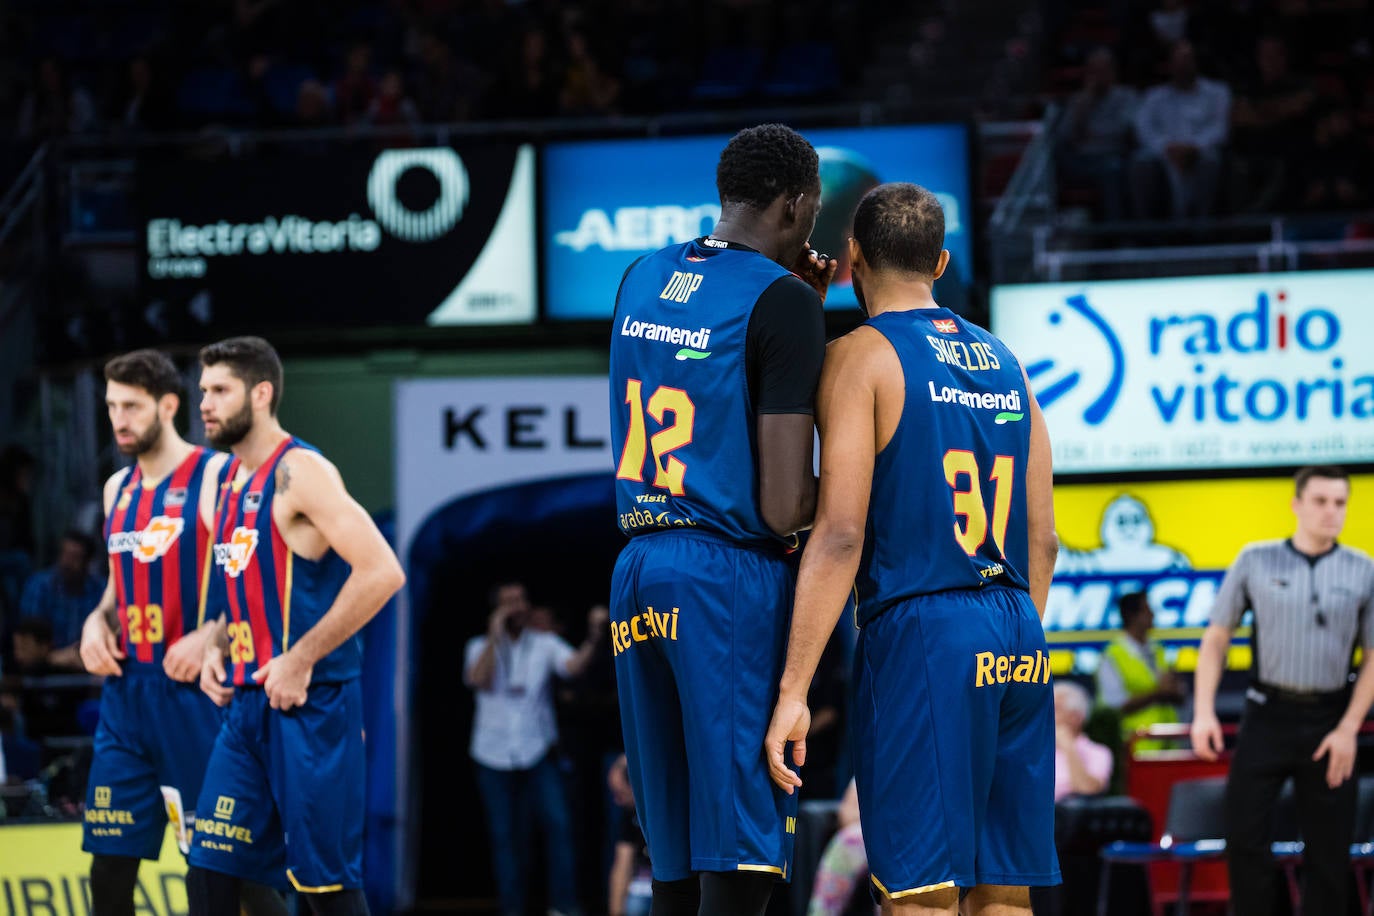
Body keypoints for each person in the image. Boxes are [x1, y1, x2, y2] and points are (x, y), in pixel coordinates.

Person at [765, 182, 1059, 916]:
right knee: (1005, 894)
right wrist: (1011, 642)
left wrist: (794, 690)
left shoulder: (860, 356)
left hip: (926, 631)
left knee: (920, 897)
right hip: (1019, 628)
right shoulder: (1009, 363)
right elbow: (1044, 538)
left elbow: (837, 532)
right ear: (942, 260)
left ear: (854, 258)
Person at [608, 122, 834, 916]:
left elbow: (712, 364)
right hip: (724, 576)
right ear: (798, 204)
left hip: (638, 571)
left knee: (671, 862)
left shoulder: (639, 276)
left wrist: (796, 308)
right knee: (739, 860)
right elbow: (781, 505)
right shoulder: (782, 304)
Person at [188, 336, 405, 916]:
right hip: (246, 708)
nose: (204, 403)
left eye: (219, 390)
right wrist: (215, 642)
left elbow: (383, 572)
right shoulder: (221, 481)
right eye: (202, 389)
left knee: (325, 888)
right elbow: (242, 591)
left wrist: (302, 658)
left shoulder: (301, 471)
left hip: (314, 708)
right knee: (210, 868)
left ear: (261, 394)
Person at [77, 349, 287, 916]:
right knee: (109, 869)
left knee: (225, 870)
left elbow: (255, 574)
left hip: (194, 697)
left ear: (168, 405)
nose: (118, 418)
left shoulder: (215, 473)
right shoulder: (115, 489)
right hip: (126, 696)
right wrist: (96, 620)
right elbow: (117, 589)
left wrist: (215, 633)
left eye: (132, 406)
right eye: (111, 405)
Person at [1191, 465, 1374, 916]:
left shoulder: (1363, 569)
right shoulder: (1255, 559)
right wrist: (1203, 712)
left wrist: (1349, 727)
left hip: (1332, 720)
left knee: (1329, 853)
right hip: (1266, 715)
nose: (1331, 512)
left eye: (1340, 503)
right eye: (1320, 501)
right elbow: (1216, 638)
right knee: (1244, 839)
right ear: (1296, 504)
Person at [463, 581, 607, 916]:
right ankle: (512, 908)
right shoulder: (477, 646)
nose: (517, 607)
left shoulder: (544, 643)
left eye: (521, 599)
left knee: (558, 825)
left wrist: (595, 635)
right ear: (495, 608)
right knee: (505, 837)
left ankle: (564, 906)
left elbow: (573, 667)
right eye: (508, 601)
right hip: (491, 753)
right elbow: (478, 679)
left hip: (537, 749)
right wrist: (494, 633)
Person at [1129, 40, 1231, 219]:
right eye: (1178, 61)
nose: (1183, 65)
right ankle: (1147, 230)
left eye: (1187, 59)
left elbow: (1219, 128)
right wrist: (1166, 148)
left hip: (1200, 152)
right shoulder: (1154, 97)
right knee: (1141, 161)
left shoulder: (1217, 92)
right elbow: (1144, 129)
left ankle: (1203, 226)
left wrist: (1194, 148)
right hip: (1163, 155)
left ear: (1196, 62)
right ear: (1170, 65)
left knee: (1211, 160)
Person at [1054, 47, 1138, 221]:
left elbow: (1123, 130)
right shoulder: (1079, 100)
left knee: (1115, 168)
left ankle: (1116, 232)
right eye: (1094, 71)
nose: (1099, 75)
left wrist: (1093, 134)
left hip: (1118, 156)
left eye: (1103, 70)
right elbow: (1064, 136)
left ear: (1113, 72)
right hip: (1083, 161)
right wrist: (1083, 107)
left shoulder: (1127, 97)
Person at [1096, 591, 1183, 752]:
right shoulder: (1112, 655)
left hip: (1169, 744)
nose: (1152, 614)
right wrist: (1158, 693)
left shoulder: (1159, 649)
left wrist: (1175, 690)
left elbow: (1178, 695)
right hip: (1135, 747)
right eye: (1146, 610)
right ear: (1131, 616)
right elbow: (1114, 706)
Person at [19, 530, 104, 662]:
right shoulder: (39, 586)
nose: (67, 563)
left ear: (88, 562)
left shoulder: (100, 590)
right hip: (42, 667)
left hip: (87, 665)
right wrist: (56, 657)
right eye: (65, 554)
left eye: (75, 557)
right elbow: (27, 642)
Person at [607, 753, 654, 916]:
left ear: (636, 786)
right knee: (634, 906)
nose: (616, 801)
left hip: (677, 881)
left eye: (620, 793)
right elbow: (622, 863)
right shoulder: (629, 814)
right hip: (644, 886)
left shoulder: (664, 808)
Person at [1053, 681, 1113, 801]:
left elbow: (1088, 790)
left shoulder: (1098, 752)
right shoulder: (1034, 748)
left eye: (1056, 709)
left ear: (1076, 717)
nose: (1047, 715)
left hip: (1070, 816)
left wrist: (1069, 748)